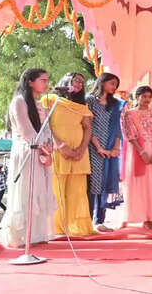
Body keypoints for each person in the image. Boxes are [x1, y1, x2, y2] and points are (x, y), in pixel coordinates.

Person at [1, 68, 55, 247]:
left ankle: (35, 235)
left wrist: (49, 146)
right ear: (30, 82)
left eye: (47, 80)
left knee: (39, 192)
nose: (46, 84)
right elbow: (26, 131)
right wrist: (42, 147)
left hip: (40, 153)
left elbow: (46, 129)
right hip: (26, 152)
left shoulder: (39, 104)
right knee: (25, 193)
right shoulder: (19, 101)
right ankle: (19, 237)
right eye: (43, 80)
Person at [42, 72, 95, 237]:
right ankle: (56, 227)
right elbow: (44, 126)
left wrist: (82, 149)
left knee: (77, 191)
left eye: (82, 82)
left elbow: (87, 128)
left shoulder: (82, 106)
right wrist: (60, 146)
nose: (79, 84)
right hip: (57, 151)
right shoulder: (50, 100)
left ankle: (75, 228)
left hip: (79, 153)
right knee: (56, 189)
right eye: (76, 80)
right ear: (66, 80)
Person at [122, 86, 152, 228]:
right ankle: (133, 216)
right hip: (136, 151)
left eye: (149, 97)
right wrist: (142, 152)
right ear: (137, 97)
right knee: (135, 184)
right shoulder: (129, 114)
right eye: (144, 96)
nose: (147, 99)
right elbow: (130, 135)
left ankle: (150, 218)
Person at [86, 73, 125, 232]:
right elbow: (88, 126)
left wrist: (116, 148)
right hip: (92, 146)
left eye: (116, 84)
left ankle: (100, 221)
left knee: (104, 182)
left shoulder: (115, 104)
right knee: (93, 184)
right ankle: (88, 221)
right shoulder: (90, 100)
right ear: (102, 82)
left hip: (109, 148)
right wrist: (99, 148)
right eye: (112, 83)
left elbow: (117, 128)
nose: (114, 87)